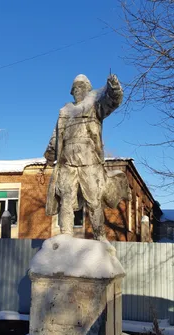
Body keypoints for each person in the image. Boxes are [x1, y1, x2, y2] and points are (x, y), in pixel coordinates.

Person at [44, 74, 123, 240]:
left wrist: (114, 88)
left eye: (81, 87)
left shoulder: (94, 106)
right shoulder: (65, 112)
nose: (77, 90)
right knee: (66, 198)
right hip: (67, 162)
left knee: (94, 200)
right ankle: (66, 235)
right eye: (75, 88)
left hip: (89, 162)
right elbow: (56, 136)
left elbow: (113, 101)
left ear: (87, 90)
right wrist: (50, 155)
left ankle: (99, 236)